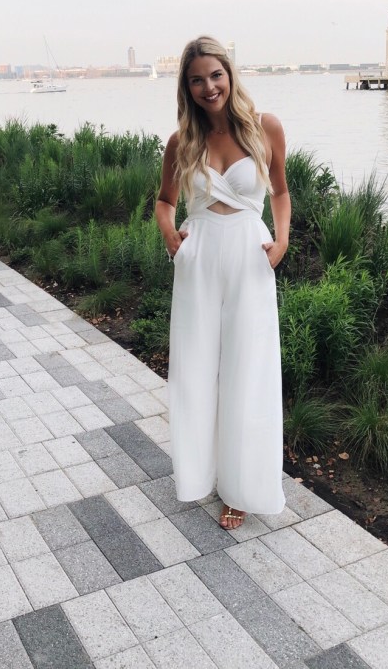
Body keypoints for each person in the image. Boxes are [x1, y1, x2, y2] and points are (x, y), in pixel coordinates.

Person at [155, 36, 290, 529]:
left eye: (215, 75)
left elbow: (280, 192)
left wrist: (282, 240)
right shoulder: (181, 142)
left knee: (248, 370)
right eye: (197, 80)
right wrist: (170, 235)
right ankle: (199, 474)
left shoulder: (265, 127)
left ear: (229, 75)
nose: (209, 86)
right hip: (199, 259)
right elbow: (165, 201)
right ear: (186, 87)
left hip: (250, 258)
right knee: (195, 369)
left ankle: (241, 488)